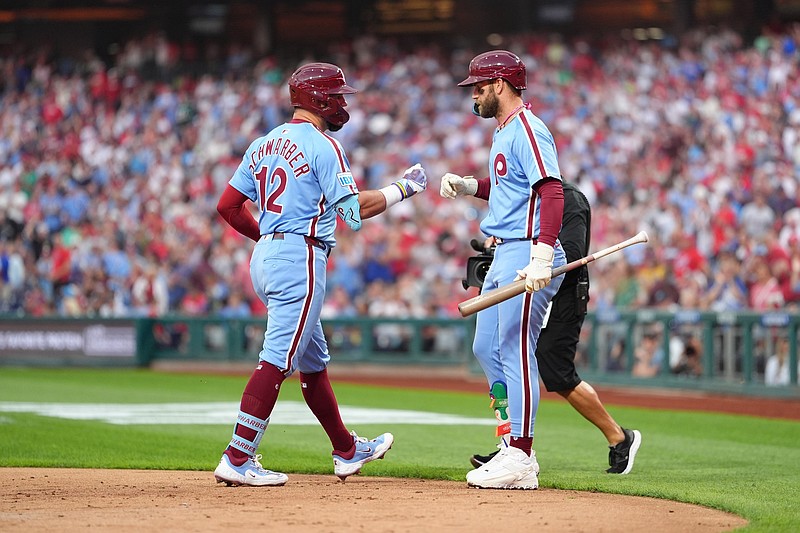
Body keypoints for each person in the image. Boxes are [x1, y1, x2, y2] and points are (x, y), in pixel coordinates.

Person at [213, 62, 428, 486]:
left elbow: (227, 206)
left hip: (269, 255)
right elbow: (352, 210)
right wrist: (403, 188)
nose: (342, 102)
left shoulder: (263, 142)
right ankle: (237, 458)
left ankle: (346, 450)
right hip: (300, 257)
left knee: (312, 362)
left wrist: (268, 239)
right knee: (277, 359)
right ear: (319, 98)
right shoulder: (323, 145)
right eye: (338, 94)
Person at [439, 50, 567, 490]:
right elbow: (514, 189)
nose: (473, 93)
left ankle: (522, 454)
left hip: (528, 249)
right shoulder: (505, 130)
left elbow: (552, 191)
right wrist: (472, 186)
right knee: (486, 347)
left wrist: (543, 255)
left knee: (514, 347)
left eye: (478, 85)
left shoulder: (529, 128)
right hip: (506, 250)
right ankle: (511, 441)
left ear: (500, 84)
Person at [459, 181, 643, 475]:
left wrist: (538, 260)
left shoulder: (569, 200)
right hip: (525, 286)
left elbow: (570, 253)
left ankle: (620, 436)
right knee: (496, 350)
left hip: (564, 290)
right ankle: (511, 442)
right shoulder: (524, 199)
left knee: (555, 370)